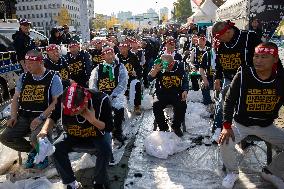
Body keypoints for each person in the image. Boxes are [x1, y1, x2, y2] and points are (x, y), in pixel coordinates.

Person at [218, 42, 284, 189]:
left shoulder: (281, 80)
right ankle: (233, 172)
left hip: (266, 125)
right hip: (241, 125)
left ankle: (271, 172)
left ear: (275, 59)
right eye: (256, 56)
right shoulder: (243, 75)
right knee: (224, 142)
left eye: (264, 57)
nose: (258, 60)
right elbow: (228, 101)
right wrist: (226, 126)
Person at [38, 83, 113, 189]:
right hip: (72, 134)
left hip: (96, 135)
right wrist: (44, 130)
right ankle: (71, 182)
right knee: (56, 149)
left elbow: (108, 128)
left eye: (76, 111)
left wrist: (93, 120)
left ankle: (99, 181)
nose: (72, 115)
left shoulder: (101, 99)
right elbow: (53, 116)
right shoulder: (62, 99)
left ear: (85, 101)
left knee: (106, 149)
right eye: (69, 112)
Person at [0, 50, 63, 169]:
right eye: (26, 62)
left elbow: (57, 102)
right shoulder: (24, 77)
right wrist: (13, 117)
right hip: (24, 116)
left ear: (40, 62)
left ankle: (43, 155)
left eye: (30, 63)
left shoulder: (53, 77)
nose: (27, 65)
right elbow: (15, 98)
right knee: (5, 137)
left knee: (36, 136)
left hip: (45, 117)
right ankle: (34, 150)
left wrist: (41, 118)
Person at [211, 20, 262, 142]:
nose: (220, 41)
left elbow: (263, 56)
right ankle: (218, 129)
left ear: (228, 32)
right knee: (224, 102)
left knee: (245, 105)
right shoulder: (221, 43)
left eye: (221, 38)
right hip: (229, 78)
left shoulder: (249, 37)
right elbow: (218, 61)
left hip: (249, 79)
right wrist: (217, 77)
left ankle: (246, 135)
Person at [89, 47, 128, 143]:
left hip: (115, 95)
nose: (110, 56)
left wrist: (113, 95)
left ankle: (118, 131)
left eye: (112, 54)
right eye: (108, 54)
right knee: (97, 110)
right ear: (103, 56)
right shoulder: (97, 69)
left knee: (119, 108)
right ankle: (100, 131)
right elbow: (93, 85)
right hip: (101, 96)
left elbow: (123, 83)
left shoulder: (120, 67)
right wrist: (100, 97)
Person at [148, 54, 189, 137]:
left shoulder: (179, 67)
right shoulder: (159, 67)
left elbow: (185, 80)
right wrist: (155, 70)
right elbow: (149, 78)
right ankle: (163, 127)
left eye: (167, 65)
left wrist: (185, 90)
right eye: (164, 65)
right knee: (156, 105)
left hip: (176, 93)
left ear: (172, 63)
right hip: (162, 93)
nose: (166, 68)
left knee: (181, 105)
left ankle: (176, 126)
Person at [117, 41, 142, 115]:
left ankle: (137, 105)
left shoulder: (133, 56)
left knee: (137, 84)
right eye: (121, 49)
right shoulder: (117, 57)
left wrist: (136, 72)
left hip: (131, 76)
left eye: (124, 48)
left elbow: (139, 68)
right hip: (120, 78)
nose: (123, 50)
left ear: (128, 48)